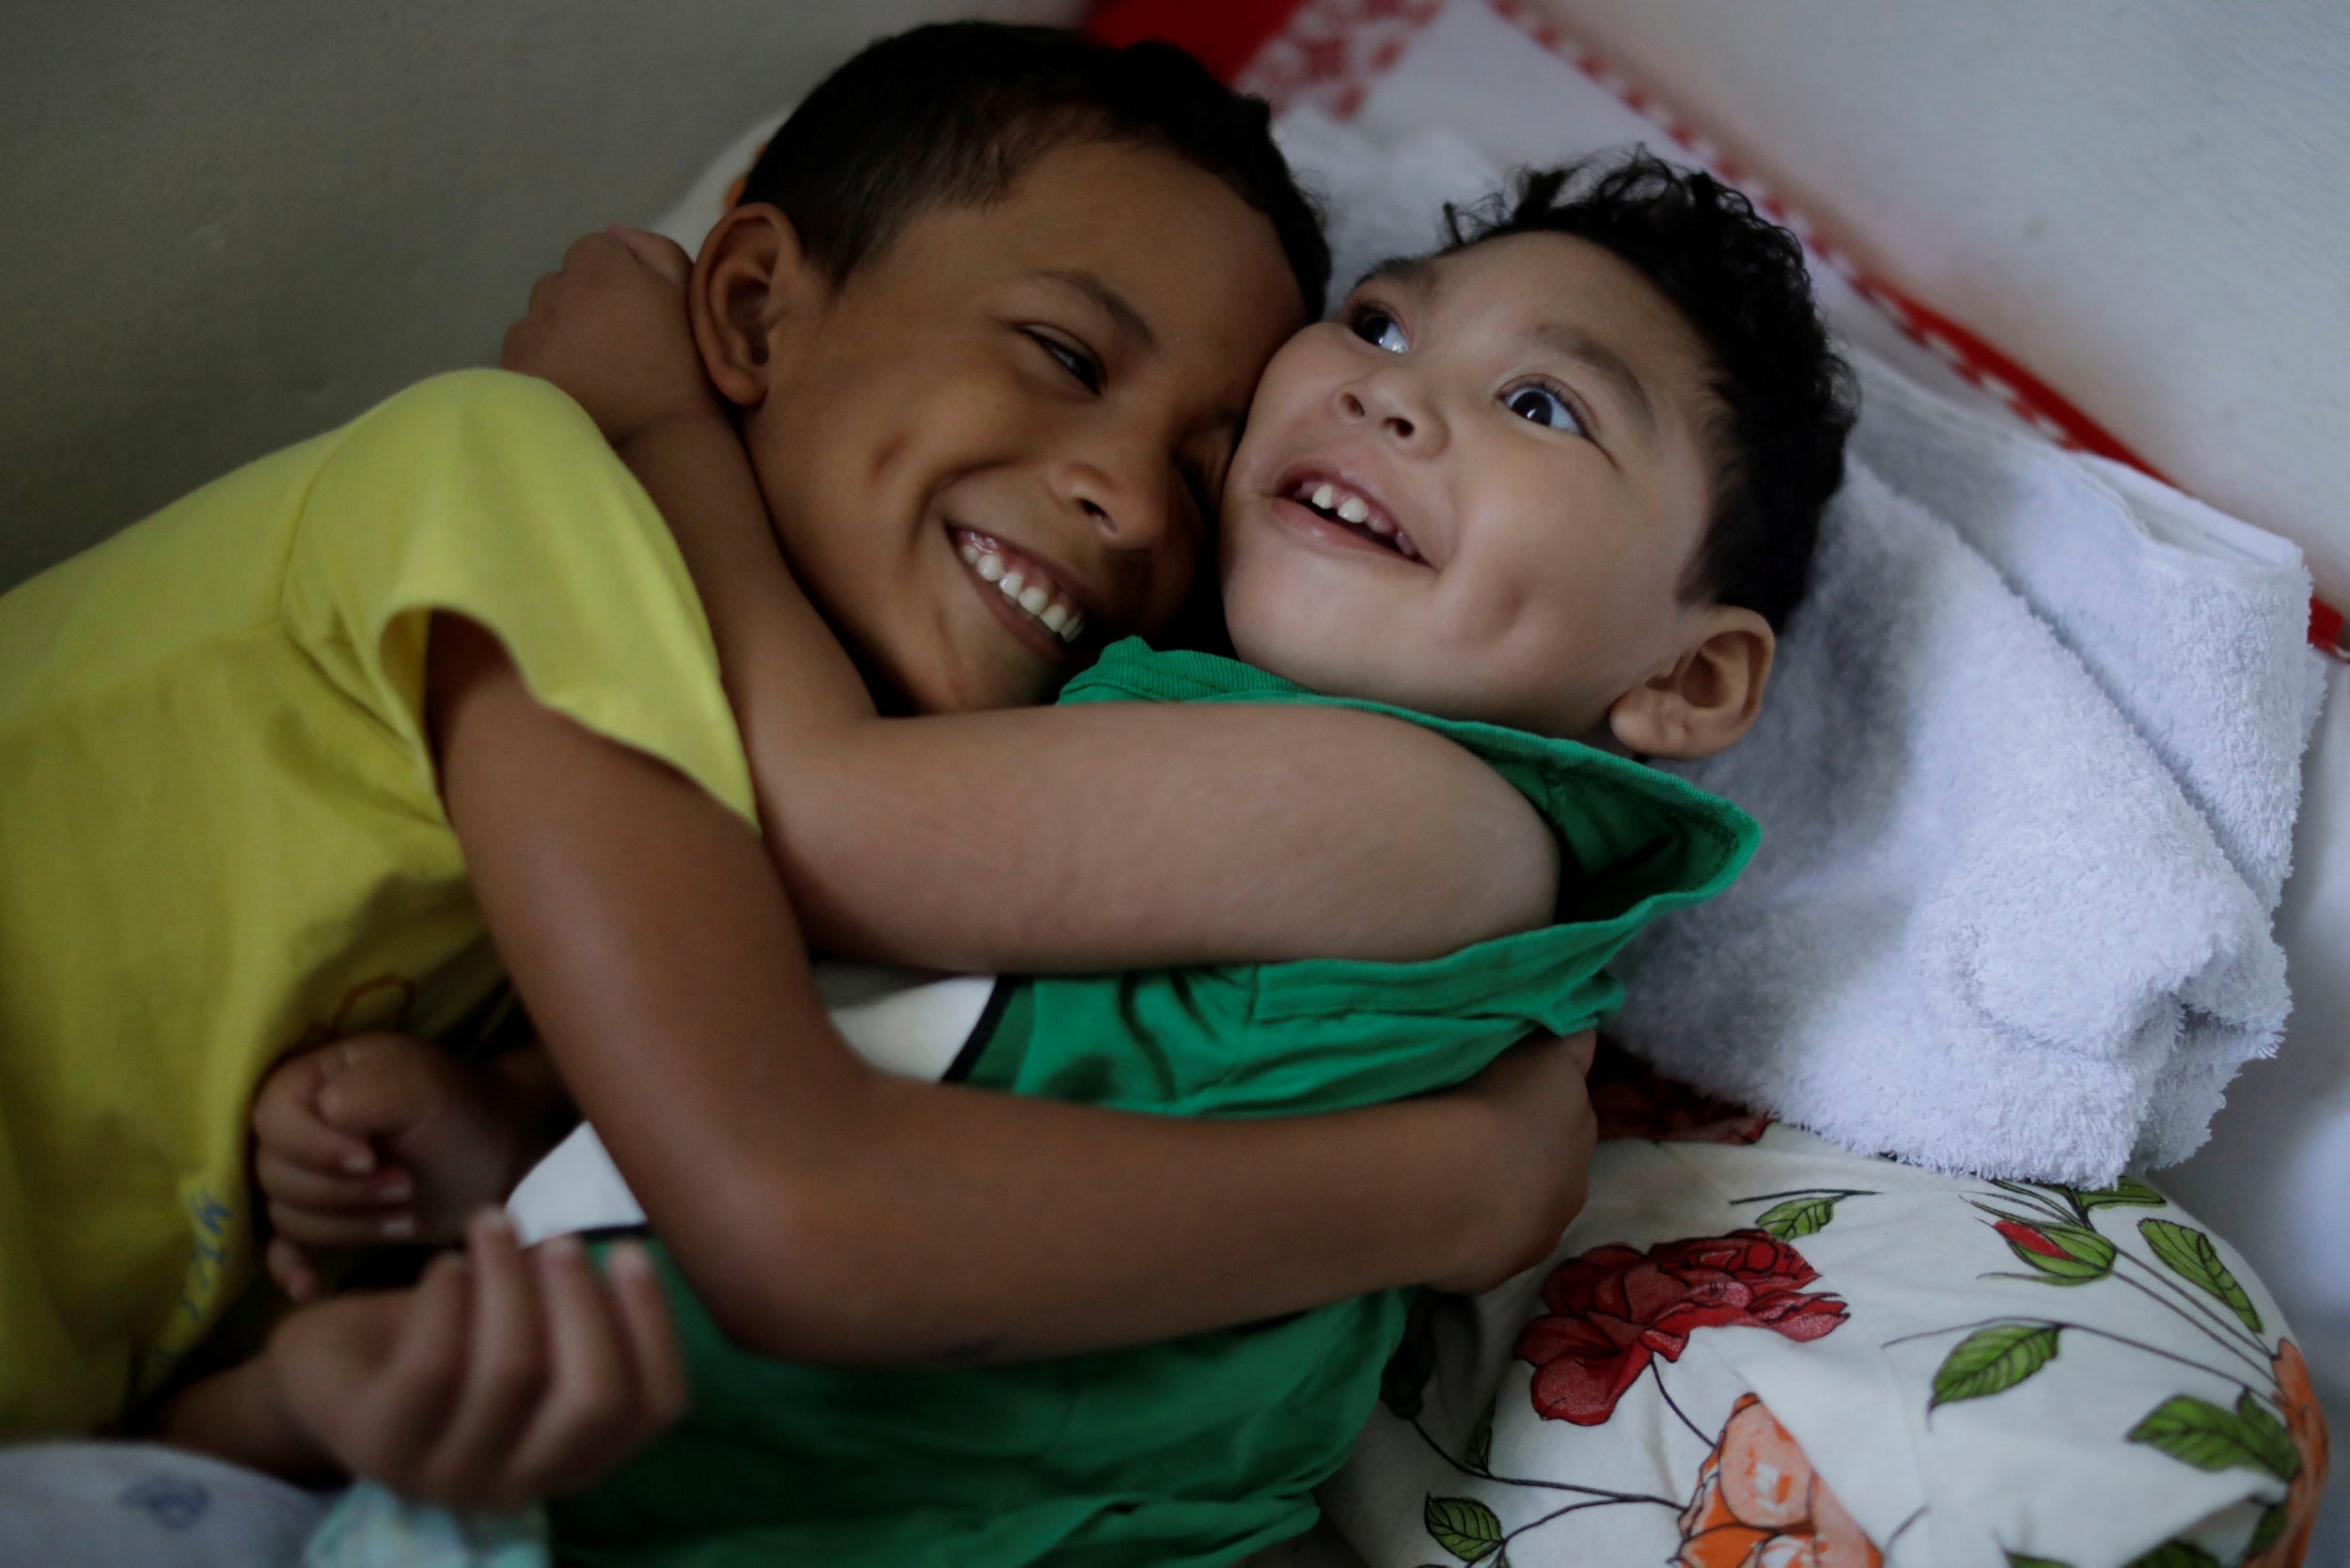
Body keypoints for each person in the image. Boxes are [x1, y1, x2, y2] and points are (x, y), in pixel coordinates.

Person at [0, 23, 1603, 1461]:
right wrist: (1451, 1183)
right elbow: (800, 1215)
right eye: (1062, 355)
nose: (1128, 501)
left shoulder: (744, 819)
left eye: (1201, 478)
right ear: (757, 306)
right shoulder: (512, 486)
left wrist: (330, 1354)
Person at [231, 149, 1857, 1564]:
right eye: (1378, 319)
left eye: (1539, 406)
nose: (1388, 388)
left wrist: (660, 430)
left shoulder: (1430, 810)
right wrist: (513, 1137)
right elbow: (885, 1010)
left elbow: (819, 825)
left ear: (1686, 680)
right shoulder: (1168, 719)